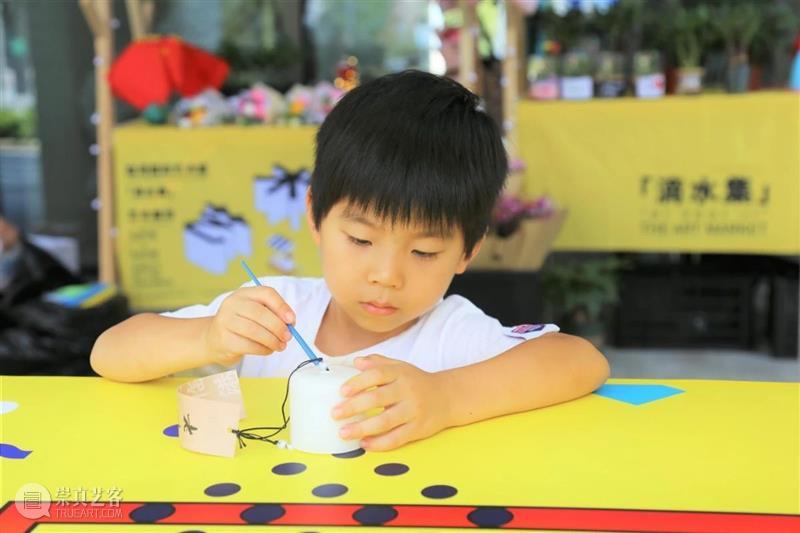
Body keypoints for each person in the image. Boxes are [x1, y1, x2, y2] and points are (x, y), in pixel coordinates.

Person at [91, 71, 609, 451]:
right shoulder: (276, 311)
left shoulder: (452, 335)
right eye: (361, 240)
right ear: (315, 214)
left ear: (467, 252)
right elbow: (109, 353)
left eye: (425, 252)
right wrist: (205, 338)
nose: (386, 274)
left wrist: (445, 399)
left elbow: (581, 361)